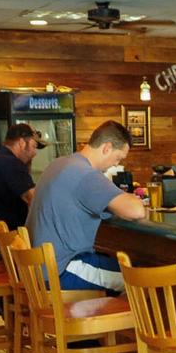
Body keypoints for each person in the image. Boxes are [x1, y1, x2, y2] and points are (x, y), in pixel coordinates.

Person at [27, 120, 145, 292]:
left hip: (39, 271)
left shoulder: (59, 164)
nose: (116, 164)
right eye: (118, 158)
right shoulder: (85, 174)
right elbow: (136, 210)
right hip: (63, 270)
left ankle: (105, 308)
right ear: (107, 148)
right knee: (145, 281)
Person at [0, 123, 45, 229]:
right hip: (13, 234)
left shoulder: (0, 157)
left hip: (1, 233)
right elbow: (34, 200)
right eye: (34, 146)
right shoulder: (12, 163)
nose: (35, 153)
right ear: (22, 143)